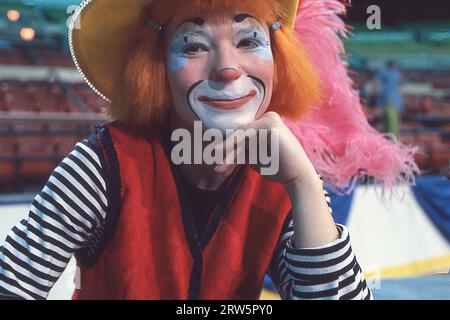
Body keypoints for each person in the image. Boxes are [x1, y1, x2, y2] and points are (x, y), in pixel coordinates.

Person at [0, 0, 417, 300]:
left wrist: (304, 181)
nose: (227, 67)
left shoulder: (282, 172)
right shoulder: (102, 165)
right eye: (195, 45)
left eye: (249, 40)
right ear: (155, 68)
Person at [377, 60, 404, 137]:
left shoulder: (386, 73)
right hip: (393, 101)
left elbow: (377, 84)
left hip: (389, 101)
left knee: (390, 123)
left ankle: (390, 139)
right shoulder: (396, 74)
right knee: (393, 124)